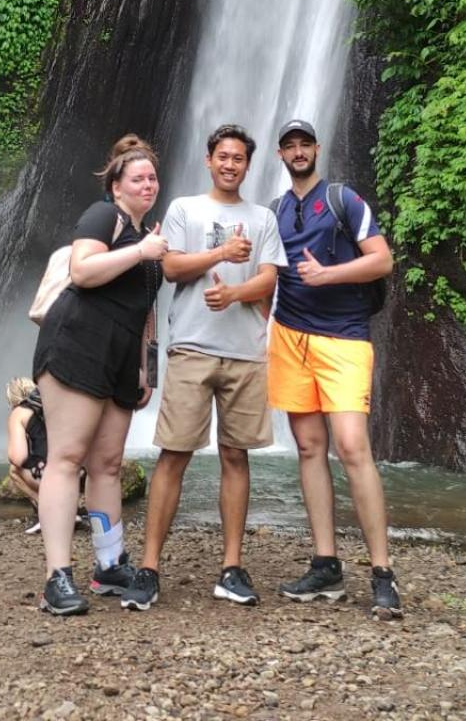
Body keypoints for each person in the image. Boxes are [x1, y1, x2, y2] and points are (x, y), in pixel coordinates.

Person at [122, 124, 286, 612]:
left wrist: (233, 293)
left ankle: (231, 568)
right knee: (174, 454)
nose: (230, 164)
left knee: (236, 456)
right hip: (192, 347)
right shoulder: (183, 209)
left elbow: (269, 280)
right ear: (209, 160)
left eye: (239, 158)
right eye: (223, 156)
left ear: (248, 165)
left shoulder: (262, 218)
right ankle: (149, 568)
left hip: (246, 352)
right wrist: (221, 254)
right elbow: (171, 268)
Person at [269, 119, 401, 618]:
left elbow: (382, 261)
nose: (298, 152)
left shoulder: (344, 200)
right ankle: (326, 564)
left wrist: (328, 275)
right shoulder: (276, 211)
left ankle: (382, 572)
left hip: (344, 337)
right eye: (290, 146)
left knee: (351, 447)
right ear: (281, 155)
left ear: (317, 149)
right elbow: (267, 275)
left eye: (305, 144)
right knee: (309, 448)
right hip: (290, 337)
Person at [32, 135, 169, 615]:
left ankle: (109, 565)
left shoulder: (147, 235)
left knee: (108, 463)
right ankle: (57, 577)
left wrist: (146, 368)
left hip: (120, 358)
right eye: (138, 178)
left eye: (153, 177)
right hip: (78, 344)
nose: (148, 184)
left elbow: (144, 310)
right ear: (116, 186)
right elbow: (83, 271)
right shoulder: (103, 216)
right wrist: (141, 251)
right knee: (67, 458)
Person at [6, 376, 47, 532]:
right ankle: (70, 509)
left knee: (14, 470)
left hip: (53, 475)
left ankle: (47, 511)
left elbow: (17, 458)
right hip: (79, 473)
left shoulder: (19, 412)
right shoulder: (50, 405)